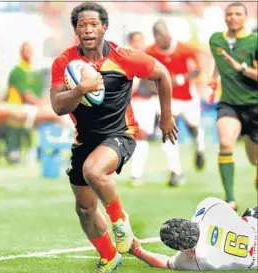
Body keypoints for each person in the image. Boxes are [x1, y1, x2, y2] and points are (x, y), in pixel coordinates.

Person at [50, 2, 177, 272]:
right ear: (75, 30)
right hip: (85, 139)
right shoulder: (64, 62)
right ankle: (109, 256)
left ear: (104, 28)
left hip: (120, 134)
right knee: (84, 209)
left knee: (93, 171)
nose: (88, 29)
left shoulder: (125, 56)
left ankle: (120, 224)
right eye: (82, 25)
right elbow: (58, 105)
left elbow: (163, 75)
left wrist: (166, 116)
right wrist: (81, 88)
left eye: (93, 24)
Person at [208, 2, 258, 210]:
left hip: (254, 107)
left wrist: (242, 69)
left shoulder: (255, 41)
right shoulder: (215, 40)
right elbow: (220, 63)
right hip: (229, 104)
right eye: (229, 14)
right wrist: (213, 78)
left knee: (254, 161)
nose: (233, 17)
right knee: (226, 143)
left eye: (238, 14)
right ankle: (230, 199)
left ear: (245, 18)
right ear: (224, 17)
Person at [146, 20, 206, 187]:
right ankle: (175, 171)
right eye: (155, 36)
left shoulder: (185, 49)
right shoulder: (150, 52)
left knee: (193, 127)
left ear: (168, 35)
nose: (158, 39)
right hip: (168, 99)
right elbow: (146, 75)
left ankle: (199, 148)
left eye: (161, 35)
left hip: (187, 96)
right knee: (168, 131)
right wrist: (155, 87)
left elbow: (197, 69)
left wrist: (180, 78)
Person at [130, 197, 258, 270]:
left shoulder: (198, 259)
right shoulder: (209, 206)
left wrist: (137, 251)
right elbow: (230, 213)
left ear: (181, 248)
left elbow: (165, 262)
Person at [127, 31, 158, 186]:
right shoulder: (123, 60)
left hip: (146, 102)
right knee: (128, 135)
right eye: (135, 41)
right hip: (129, 102)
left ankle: (136, 173)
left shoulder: (150, 60)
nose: (138, 44)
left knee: (142, 135)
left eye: (141, 40)